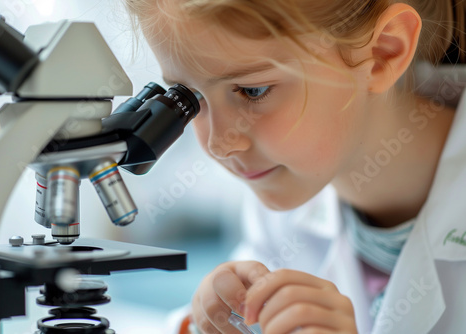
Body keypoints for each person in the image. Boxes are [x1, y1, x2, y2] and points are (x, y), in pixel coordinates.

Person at [126, 1, 466, 333]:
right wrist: (206, 322)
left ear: (382, 53)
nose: (218, 144)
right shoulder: (282, 209)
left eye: (252, 90)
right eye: (188, 97)